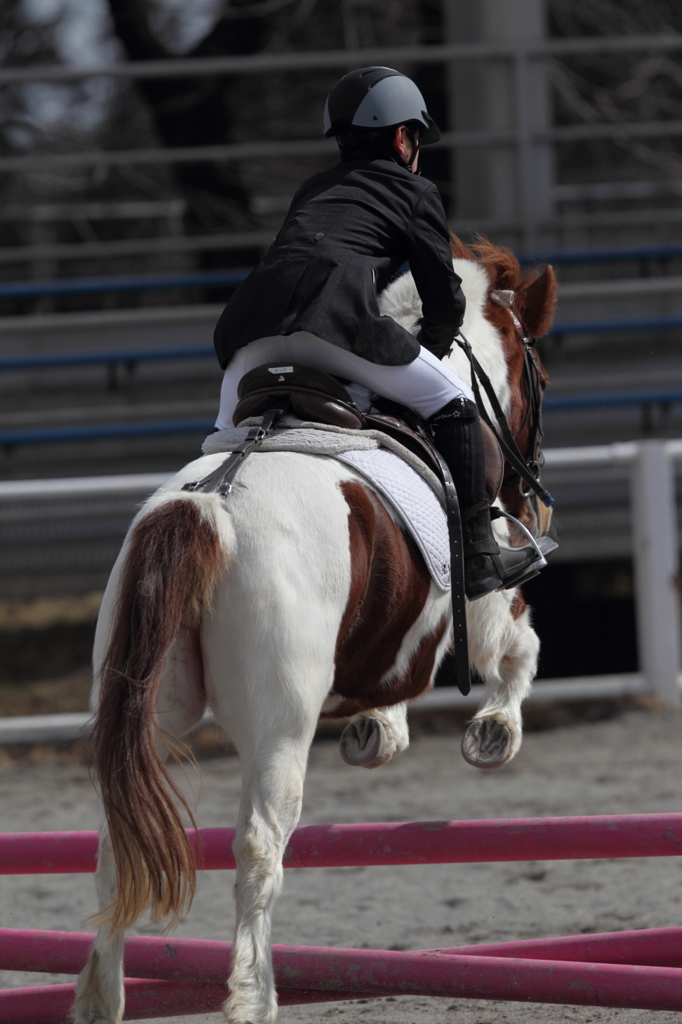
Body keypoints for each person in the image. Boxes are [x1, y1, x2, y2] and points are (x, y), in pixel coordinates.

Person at [213, 66, 540, 599]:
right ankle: (480, 556)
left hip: (247, 336)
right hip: (334, 327)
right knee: (456, 402)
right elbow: (445, 302)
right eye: (416, 134)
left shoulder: (312, 189)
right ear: (400, 136)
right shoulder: (414, 191)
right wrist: (421, 357)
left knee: (221, 452)